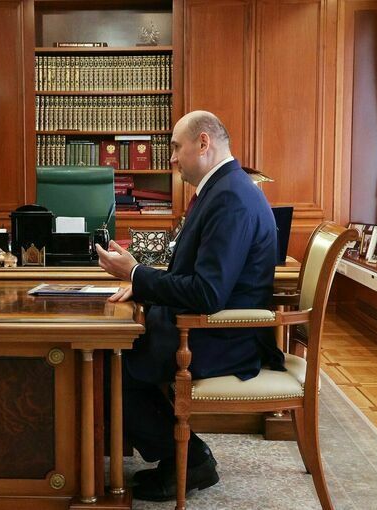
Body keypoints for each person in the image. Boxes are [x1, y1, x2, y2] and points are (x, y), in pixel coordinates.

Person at [96, 111, 283, 501]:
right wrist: (141, 285)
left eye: (176, 147)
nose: (171, 158)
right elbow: (195, 276)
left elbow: (207, 293)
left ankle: (191, 459)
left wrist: (136, 274)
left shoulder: (230, 197)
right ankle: (175, 456)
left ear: (203, 143)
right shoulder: (223, 189)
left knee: (109, 367)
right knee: (108, 353)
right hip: (204, 326)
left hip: (223, 337)